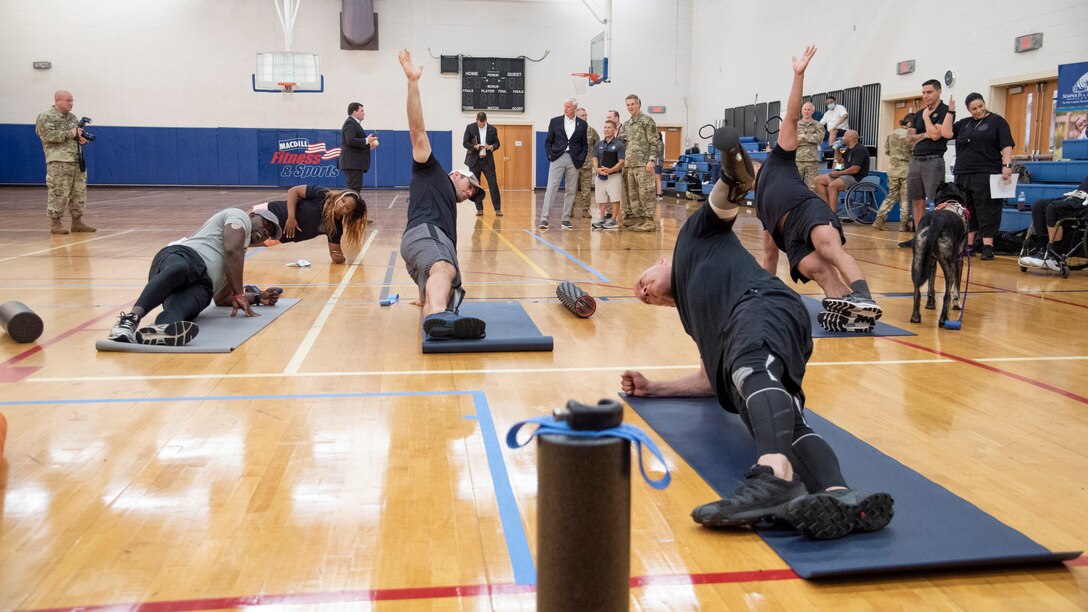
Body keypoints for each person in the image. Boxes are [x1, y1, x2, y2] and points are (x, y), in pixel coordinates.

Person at [626, 55, 893, 538]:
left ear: (662, 262)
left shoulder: (692, 238)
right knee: (783, 413)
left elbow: (725, 201)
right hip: (765, 319)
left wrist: (733, 176)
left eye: (642, 280)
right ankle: (839, 496)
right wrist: (656, 388)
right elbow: (712, 380)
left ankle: (774, 476)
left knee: (752, 370)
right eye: (643, 298)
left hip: (760, 306)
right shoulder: (693, 316)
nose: (643, 291)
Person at [755, 49, 883, 333]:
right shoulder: (760, 207)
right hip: (790, 238)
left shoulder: (779, 158)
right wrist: (763, 296)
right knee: (822, 273)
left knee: (829, 248)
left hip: (807, 209)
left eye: (751, 164)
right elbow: (770, 256)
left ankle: (864, 297)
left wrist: (798, 75)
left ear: (758, 162)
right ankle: (854, 314)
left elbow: (790, 118)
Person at [397, 49, 486, 340]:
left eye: (473, 193)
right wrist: (413, 83)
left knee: (448, 286)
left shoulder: (448, 203)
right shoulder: (432, 172)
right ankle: (438, 317)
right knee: (444, 267)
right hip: (425, 235)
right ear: (456, 175)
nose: (470, 193)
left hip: (422, 244)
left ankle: (431, 310)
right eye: (470, 186)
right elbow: (417, 131)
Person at [107, 209, 284, 346]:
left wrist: (256, 298)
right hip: (184, 256)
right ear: (252, 215)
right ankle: (129, 321)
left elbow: (223, 298)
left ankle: (157, 331)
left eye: (269, 233)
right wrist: (239, 293)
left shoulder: (236, 260)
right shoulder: (238, 217)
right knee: (179, 269)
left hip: (203, 284)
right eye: (265, 224)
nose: (265, 232)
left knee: (181, 310)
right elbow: (231, 250)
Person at [951, 93, 1015, 261]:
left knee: (988, 209)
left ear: (984, 104)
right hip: (963, 173)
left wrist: (1006, 165)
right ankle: (968, 245)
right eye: (974, 108)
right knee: (966, 209)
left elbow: (1006, 145)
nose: (978, 110)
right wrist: (950, 112)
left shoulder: (997, 121)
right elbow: (944, 132)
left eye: (981, 106)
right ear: (968, 110)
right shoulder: (964, 124)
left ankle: (988, 246)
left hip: (987, 171)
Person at [900, 79, 955, 248]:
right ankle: (919, 237)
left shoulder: (945, 110)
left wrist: (927, 121)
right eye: (923, 92)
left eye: (929, 92)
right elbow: (909, 139)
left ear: (938, 92)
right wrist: (925, 134)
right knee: (917, 200)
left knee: (937, 201)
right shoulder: (918, 114)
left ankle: (938, 236)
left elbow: (938, 135)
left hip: (934, 159)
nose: (925, 95)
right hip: (916, 160)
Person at [253, 186, 367, 264]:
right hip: (270, 214)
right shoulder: (322, 195)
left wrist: (339, 258)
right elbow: (293, 191)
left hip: (279, 236)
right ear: (340, 197)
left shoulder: (335, 228)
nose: (342, 206)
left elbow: (335, 253)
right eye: (343, 201)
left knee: (243, 244)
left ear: (349, 213)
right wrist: (291, 218)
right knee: (239, 231)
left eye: (347, 207)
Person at [35, 90, 95, 235]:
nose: (71, 104)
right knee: (58, 192)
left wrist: (81, 139)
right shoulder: (46, 117)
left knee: (79, 192)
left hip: (76, 160)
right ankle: (55, 223)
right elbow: (46, 135)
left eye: (72, 101)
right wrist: (70, 133)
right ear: (57, 101)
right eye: (68, 100)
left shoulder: (72, 118)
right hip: (59, 161)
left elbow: (74, 136)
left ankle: (77, 222)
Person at [539, 98, 589, 230]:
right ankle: (544, 219)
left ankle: (566, 219)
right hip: (557, 158)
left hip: (574, 159)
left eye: (568, 106)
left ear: (574, 108)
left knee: (571, 190)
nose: (565, 108)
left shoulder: (582, 124)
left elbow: (584, 144)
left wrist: (581, 158)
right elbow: (548, 141)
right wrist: (550, 155)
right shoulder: (555, 121)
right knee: (551, 188)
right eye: (565, 106)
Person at [1018, 176, 1088, 270]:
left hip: (1084, 205)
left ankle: (1053, 255)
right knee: (1038, 205)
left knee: (1053, 208)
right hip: (1075, 197)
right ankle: (1043, 250)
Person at [621, 95, 663, 232]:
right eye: (628, 105)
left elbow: (655, 142)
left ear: (639, 104)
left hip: (644, 165)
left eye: (633, 104)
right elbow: (623, 144)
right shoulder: (626, 125)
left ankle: (649, 221)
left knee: (646, 194)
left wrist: (651, 161)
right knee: (634, 195)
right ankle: (639, 220)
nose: (630, 107)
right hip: (630, 165)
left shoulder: (646, 121)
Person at [873, 114, 915, 231]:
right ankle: (903, 224)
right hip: (907, 169)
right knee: (905, 198)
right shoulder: (911, 134)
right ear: (911, 123)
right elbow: (914, 152)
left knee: (891, 195)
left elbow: (887, 151)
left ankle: (879, 219)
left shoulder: (892, 133)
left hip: (893, 169)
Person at [812, 130, 870, 212]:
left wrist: (839, 173)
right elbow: (839, 160)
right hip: (845, 175)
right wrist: (837, 148)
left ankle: (832, 213)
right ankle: (827, 208)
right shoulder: (849, 149)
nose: (842, 138)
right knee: (817, 180)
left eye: (844, 136)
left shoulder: (859, 149)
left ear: (850, 138)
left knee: (833, 185)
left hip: (856, 178)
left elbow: (855, 169)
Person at [463, 111, 502, 216]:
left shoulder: (492, 129)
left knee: (493, 184)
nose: (481, 125)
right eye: (479, 123)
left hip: (487, 161)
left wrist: (491, 146)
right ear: (476, 120)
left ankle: (497, 209)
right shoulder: (470, 128)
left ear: (485, 121)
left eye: (482, 123)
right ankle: (479, 209)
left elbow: (497, 143)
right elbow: (465, 143)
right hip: (474, 161)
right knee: (476, 186)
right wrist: (474, 146)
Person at [591, 119, 625, 230]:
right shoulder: (598, 144)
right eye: (605, 127)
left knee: (615, 198)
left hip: (614, 176)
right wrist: (596, 169)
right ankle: (602, 219)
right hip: (600, 176)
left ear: (615, 130)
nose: (606, 130)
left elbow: (622, 161)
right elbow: (594, 157)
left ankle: (613, 220)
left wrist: (610, 170)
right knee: (601, 199)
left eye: (609, 127)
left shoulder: (619, 145)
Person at [339, 102, 378, 192]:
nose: (364, 113)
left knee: (354, 189)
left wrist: (368, 146)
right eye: (362, 110)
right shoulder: (350, 123)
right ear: (354, 112)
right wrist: (367, 140)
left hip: (354, 163)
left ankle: (352, 205)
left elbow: (354, 143)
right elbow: (350, 140)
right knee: (354, 189)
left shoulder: (353, 123)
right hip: (352, 163)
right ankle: (351, 206)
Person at [573, 107, 600, 219]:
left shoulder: (591, 130)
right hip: (573, 164)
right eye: (581, 115)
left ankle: (585, 210)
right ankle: (570, 209)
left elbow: (598, 145)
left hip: (587, 164)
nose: (584, 117)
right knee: (571, 188)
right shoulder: (570, 129)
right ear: (576, 117)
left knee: (586, 189)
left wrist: (594, 158)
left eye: (585, 115)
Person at [796, 101, 824, 190]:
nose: (806, 111)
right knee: (795, 184)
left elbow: (819, 138)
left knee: (813, 186)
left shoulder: (818, 125)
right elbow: (793, 139)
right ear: (801, 111)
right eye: (805, 109)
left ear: (812, 111)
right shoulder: (795, 125)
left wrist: (803, 136)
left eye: (809, 109)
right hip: (798, 159)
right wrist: (810, 138)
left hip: (812, 160)